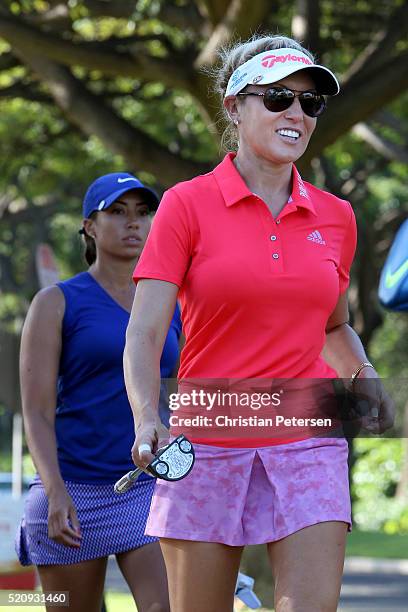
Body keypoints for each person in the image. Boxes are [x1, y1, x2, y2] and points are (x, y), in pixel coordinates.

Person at [124, 35, 394, 612]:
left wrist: (364, 377)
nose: (296, 112)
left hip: (307, 436)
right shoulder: (185, 205)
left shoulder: (337, 217)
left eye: (310, 102)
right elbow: (146, 333)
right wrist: (148, 418)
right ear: (233, 106)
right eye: (277, 98)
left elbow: (332, 328)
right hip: (205, 437)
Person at [16, 172, 181, 612]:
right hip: (74, 488)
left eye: (144, 213)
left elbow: (183, 391)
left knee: (166, 607)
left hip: (147, 485)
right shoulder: (56, 302)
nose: (134, 223)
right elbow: (36, 412)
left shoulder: (174, 303)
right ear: (90, 225)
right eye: (118, 212)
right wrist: (54, 492)